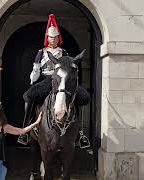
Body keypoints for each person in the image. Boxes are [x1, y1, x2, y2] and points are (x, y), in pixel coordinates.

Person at [17, 13, 90, 145]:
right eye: (51, 37)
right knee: (28, 96)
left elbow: (69, 68)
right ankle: (25, 131)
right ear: (47, 38)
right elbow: (36, 69)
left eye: (56, 37)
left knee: (81, 97)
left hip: (62, 80)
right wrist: (34, 76)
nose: (54, 40)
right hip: (46, 80)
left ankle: (80, 133)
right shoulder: (41, 52)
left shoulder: (64, 52)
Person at [0, 102, 42, 180]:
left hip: (1, 164)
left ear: (0, 116)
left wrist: (36, 122)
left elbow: (21, 131)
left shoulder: (4, 127)